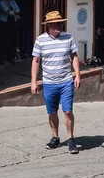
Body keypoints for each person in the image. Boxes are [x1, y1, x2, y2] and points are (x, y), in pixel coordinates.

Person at [31, 10, 81, 154]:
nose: (58, 27)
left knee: (68, 111)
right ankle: (55, 137)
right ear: (48, 26)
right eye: (55, 25)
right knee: (52, 111)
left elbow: (75, 57)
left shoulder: (68, 37)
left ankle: (71, 139)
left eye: (59, 24)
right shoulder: (40, 40)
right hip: (49, 82)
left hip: (66, 81)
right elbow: (35, 61)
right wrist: (34, 82)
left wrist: (77, 75)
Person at [0, 0, 20, 65]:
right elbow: (6, 11)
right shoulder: (1, 2)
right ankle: (1, 58)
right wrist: (15, 15)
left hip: (12, 23)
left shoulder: (13, 2)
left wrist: (13, 12)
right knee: (3, 40)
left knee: (11, 40)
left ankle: (10, 57)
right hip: (4, 23)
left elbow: (18, 9)